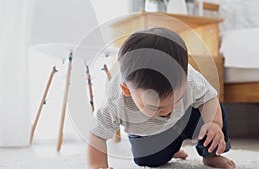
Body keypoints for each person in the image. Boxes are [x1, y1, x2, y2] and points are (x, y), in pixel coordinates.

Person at [87, 27, 236, 169]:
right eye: (157, 107)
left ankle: (210, 154)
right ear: (127, 90)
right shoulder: (115, 101)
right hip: (148, 134)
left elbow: (208, 98)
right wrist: (97, 166)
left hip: (186, 117)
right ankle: (171, 149)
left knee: (214, 112)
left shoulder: (190, 78)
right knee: (148, 160)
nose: (169, 110)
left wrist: (214, 124)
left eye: (176, 100)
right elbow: (97, 134)